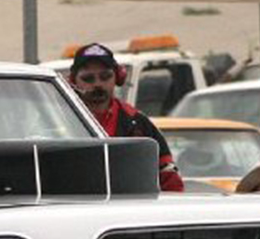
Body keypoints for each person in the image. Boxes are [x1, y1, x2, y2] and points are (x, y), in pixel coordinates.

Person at [67, 43, 184, 192]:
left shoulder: (139, 123)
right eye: (88, 78)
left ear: (118, 77)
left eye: (105, 76)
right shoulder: (57, 120)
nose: (98, 84)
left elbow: (169, 177)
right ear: (72, 81)